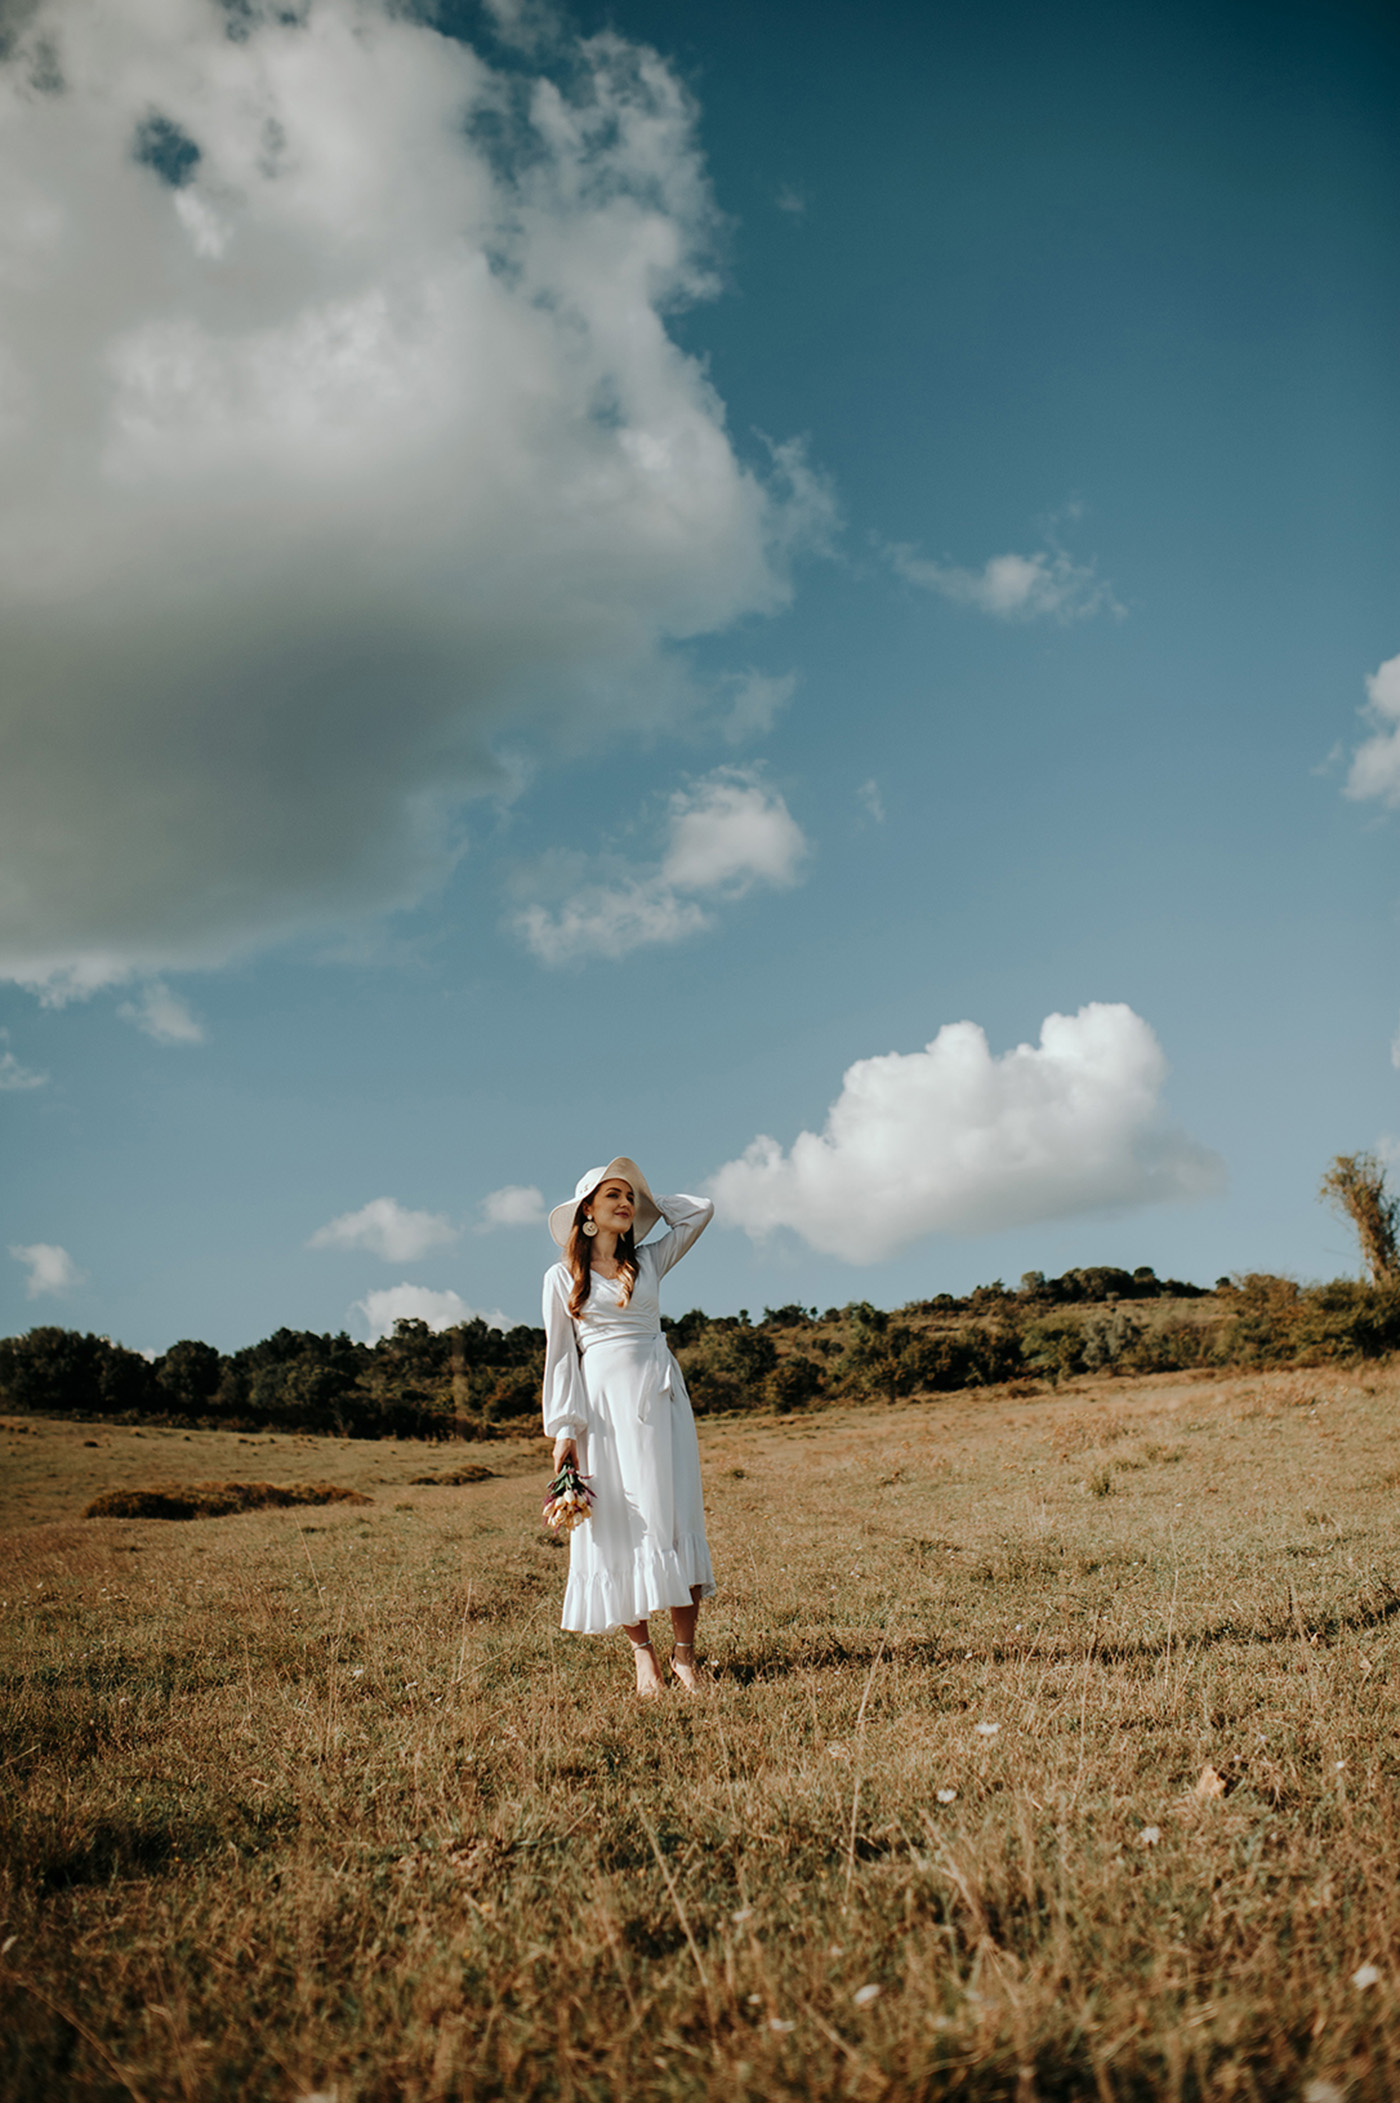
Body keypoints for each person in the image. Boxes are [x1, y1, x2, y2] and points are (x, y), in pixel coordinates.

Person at [542, 1157, 715, 1697]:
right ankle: (645, 1658)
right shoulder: (560, 1277)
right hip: (602, 1414)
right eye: (611, 1195)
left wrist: (649, 1200)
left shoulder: (650, 1261)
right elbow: (561, 1358)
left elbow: (699, 1212)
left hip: (660, 1400)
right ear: (586, 1211)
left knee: (673, 1517)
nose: (625, 1203)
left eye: (628, 1196)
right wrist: (564, 1429)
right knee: (618, 1527)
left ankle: (685, 1656)